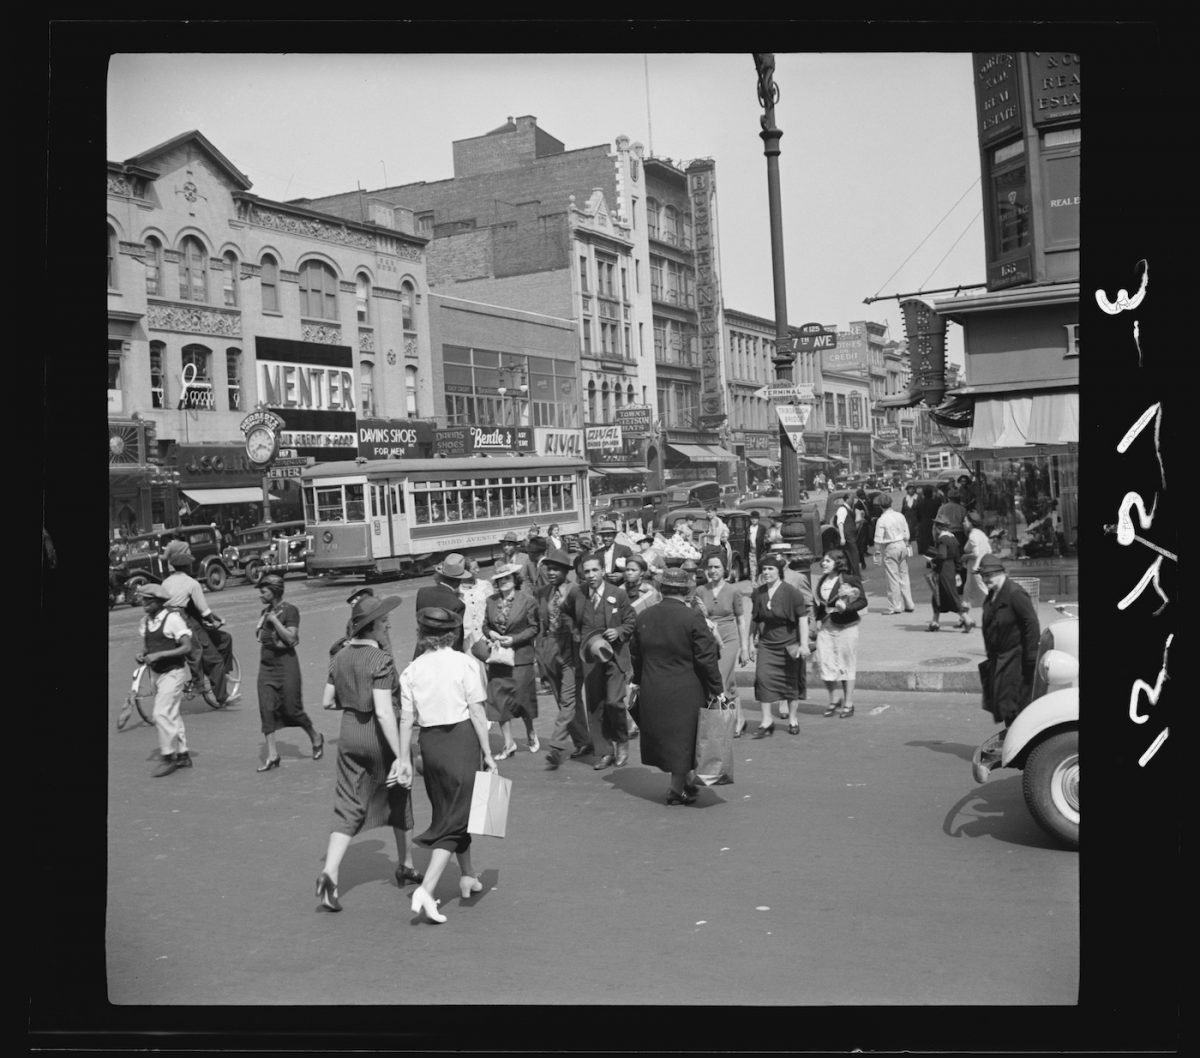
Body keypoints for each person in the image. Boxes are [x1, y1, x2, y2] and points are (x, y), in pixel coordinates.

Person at [313, 593, 419, 913]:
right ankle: (405, 864)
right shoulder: (381, 661)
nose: (387, 625)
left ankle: (330, 873)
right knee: (399, 792)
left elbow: (327, 701)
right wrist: (400, 755)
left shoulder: (341, 656)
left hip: (349, 734)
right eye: (383, 622)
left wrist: (353, 700)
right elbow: (386, 713)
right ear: (371, 628)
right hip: (377, 736)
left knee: (348, 805)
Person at [397, 607, 497, 925]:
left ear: (421, 634)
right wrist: (489, 754)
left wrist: (403, 759)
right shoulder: (465, 664)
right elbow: (478, 713)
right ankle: (426, 890)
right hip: (461, 742)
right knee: (458, 816)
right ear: (453, 634)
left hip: (430, 746)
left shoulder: (411, 671)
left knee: (449, 810)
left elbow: (405, 720)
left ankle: (467, 875)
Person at [630, 567, 725, 805]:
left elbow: (636, 656)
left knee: (672, 739)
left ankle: (684, 783)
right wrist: (717, 688)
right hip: (686, 688)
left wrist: (637, 682)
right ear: (686, 591)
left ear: (662, 589)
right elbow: (706, 658)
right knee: (685, 739)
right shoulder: (692, 618)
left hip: (653, 687)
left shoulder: (644, 617)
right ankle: (675, 789)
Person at [255, 574, 323, 771]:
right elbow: (261, 637)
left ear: (274, 591)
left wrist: (275, 622)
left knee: (292, 709)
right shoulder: (264, 611)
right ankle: (273, 755)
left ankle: (315, 736)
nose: (260, 594)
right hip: (266, 666)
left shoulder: (290, 610)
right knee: (266, 709)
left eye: (264, 590)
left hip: (286, 666)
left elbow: (292, 639)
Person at [577, 554, 636, 769]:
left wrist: (618, 631)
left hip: (615, 656)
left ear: (603, 570)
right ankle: (604, 750)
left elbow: (631, 620)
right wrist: (579, 639)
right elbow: (568, 617)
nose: (591, 575)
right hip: (591, 658)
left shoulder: (617, 594)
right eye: (587, 571)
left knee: (614, 702)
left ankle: (621, 741)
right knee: (595, 705)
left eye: (595, 570)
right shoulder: (579, 595)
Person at [535, 548, 591, 769]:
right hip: (550, 649)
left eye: (555, 569)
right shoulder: (543, 593)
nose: (550, 572)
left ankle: (556, 747)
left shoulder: (576, 591)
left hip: (572, 650)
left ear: (565, 571)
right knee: (564, 700)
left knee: (568, 699)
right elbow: (541, 624)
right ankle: (584, 741)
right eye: (548, 568)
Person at [480, 563, 540, 759]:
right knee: (499, 700)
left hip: (521, 656)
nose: (503, 582)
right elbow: (485, 625)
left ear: (515, 580)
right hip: (498, 658)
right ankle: (508, 743)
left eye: (507, 578)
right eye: (500, 580)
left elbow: (534, 628)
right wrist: (491, 633)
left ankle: (530, 731)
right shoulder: (491, 601)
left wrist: (514, 639)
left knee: (522, 698)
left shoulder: (528, 601)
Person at [747, 552, 810, 737]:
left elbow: (803, 618)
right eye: (764, 569)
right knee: (763, 679)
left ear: (779, 571)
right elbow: (755, 619)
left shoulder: (792, 592)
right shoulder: (758, 593)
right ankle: (766, 721)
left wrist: (804, 644)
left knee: (790, 683)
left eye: (770, 569)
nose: (766, 572)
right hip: (767, 644)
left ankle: (792, 718)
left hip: (789, 643)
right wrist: (750, 643)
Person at [134, 584, 194, 777]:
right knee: (172, 713)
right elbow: (147, 646)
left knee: (160, 713)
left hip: (174, 673)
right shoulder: (145, 622)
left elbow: (186, 647)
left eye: (148, 601)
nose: (144, 604)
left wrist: (160, 654)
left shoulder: (173, 620)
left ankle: (169, 756)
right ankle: (183, 754)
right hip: (157, 674)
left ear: (159, 602)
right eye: (143, 600)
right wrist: (143, 654)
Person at [160, 552, 233, 705]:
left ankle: (210, 677)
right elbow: (204, 610)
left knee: (217, 642)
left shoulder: (165, 582)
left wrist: (213, 618)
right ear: (187, 566)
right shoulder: (192, 583)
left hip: (167, 620)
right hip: (184, 620)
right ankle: (209, 689)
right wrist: (213, 621)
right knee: (209, 656)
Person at [978, 554, 1041, 728]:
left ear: (1000, 573)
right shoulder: (993, 594)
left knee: (1015, 705)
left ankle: (1018, 744)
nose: (985, 579)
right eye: (983, 576)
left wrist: (1031, 657)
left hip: (1016, 660)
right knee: (1004, 704)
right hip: (1000, 660)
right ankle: (1012, 741)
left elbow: (1031, 623)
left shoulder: (1015, 593)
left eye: (989, 575)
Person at [693, 552, 751, 737]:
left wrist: (744, 648)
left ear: (724, 569)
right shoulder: (701, 590)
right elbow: (695, 618)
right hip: (709, 639)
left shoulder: (733, 591)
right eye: (710, 567)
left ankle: (722, 720)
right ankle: (739, 719)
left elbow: (741, 620)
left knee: (718, 676)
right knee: (729, 680)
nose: (713, 570)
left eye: (717, 567)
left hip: (729, 638)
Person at [812, 549, 868, 718]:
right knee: (824, 662)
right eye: (823, 561)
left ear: (838, 563)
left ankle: (848, 703)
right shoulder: (822, 580)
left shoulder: (849, 579)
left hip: (846, 626)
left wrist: (847, 607)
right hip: (827, 626)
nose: (823, 563)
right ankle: (834, 698)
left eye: (828, 561)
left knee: (846, 664)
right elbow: (821, 604)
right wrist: (816, 620)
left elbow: (862, 600)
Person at [414, 553, 469, 654]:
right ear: (459, 581)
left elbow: (420, 621)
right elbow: (456, 639)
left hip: (422, 650)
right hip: (444, 654)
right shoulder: (457, 604)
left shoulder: (422, 592)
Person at [926, 518, 973, 633]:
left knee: (950, 596)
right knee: (937, 595)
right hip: (951, 569)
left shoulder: (942, 539)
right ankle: (934, 622)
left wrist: (932, 560)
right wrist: (957, 571)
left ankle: (967, 620)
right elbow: (958, 557)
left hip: (943, 570)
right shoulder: (953, 538)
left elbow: (942, 555)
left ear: (937, 528)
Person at [874, 493, 916, 615]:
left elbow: (878, 540)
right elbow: (907, 533)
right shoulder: (900, 516)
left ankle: (895, 606)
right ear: (891, 503)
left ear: (880, 506)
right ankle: (909, 604)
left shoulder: (882, 520)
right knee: (904, 575)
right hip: (902, 544)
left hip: (890, 546)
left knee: (892, 577)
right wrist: (906, 545)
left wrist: (877, 555)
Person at [961, 511, 992, 618]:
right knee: (967, 593)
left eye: (965, 521)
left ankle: (996, 613)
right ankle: (964, 617)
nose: (963, 523)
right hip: (976, 569)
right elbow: (988, 550)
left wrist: (965, 557)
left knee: (984, 591)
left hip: (975, 569)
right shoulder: (981, 534)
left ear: (971, 522)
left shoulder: (973, 535)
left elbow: (976, 553)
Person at [591, 520, 633, 586]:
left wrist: (622, 575)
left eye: (608, 536)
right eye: (603, 536)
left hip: (621, 585)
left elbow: (634, 568)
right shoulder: (597, 553)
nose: (605, 538)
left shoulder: (624, 550)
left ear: (614, 536)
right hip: (604, 586)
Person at [915, 484, 940, 557]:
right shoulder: (936, 502)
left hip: (923, 524)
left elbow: (917, 516)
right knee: (933, 542)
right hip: (934, 523)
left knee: (926, 543)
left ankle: (929, 559)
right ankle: (934, 559)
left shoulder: (919, 503)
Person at [746, 510, 768, 581]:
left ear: (758, 519)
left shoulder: (762, 528)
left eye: (755, 518)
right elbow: (746, 542)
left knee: (760, 568)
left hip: (760, 552)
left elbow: (765, 540)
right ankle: (754, 584)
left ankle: (761, 583)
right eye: (752, 518)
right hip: (751, 552)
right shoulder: (748, 528)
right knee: (752, 570)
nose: (753, 520)